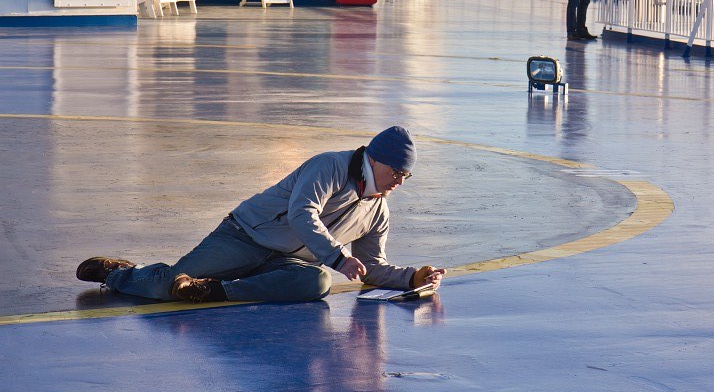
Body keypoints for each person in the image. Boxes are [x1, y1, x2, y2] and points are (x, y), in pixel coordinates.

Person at [76, 126, 446, 304]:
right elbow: (303, 214)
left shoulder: (377, 211)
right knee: (167, 286)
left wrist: (412, 276)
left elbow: (370, 267)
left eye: (405, 175)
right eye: (396, 171)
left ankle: (215, 291)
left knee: (317, 284)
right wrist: (337, 257)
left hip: (287, 261)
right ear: (375, 159)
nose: (399, 181)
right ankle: (118, 273)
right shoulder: (329, 167)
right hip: (245, 237)